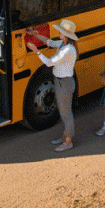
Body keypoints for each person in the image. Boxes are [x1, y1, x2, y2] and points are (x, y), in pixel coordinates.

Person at [25, 19, 78, 152]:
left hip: (64, 83)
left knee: (66, 114)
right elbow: (49, 42)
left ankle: (68, 141)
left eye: (61, 31)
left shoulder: (67, 50)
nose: (59, 32)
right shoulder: (63, 43)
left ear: (65, 34)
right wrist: (36, 34)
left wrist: (36, 50)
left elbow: (49, 63)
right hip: (61, 81)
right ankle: (65, 136)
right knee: (63, 112)